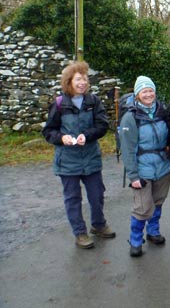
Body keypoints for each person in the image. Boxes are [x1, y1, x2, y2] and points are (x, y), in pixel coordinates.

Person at [42, 61, 115, 249]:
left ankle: (98, 225)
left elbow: (102, 125)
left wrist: (87, 135)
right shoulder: (59, 104)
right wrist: (62, 138)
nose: (83, 82)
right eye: (78, 79)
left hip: (90, 157)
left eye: (85, 79)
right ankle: (80, 233)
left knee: (97, 194)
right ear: (69, 81)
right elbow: (49, 131)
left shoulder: (93, 101)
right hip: (67, 161)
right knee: (73, 198)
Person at [119, 76, 170, 257]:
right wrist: (133, 176)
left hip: (163, 165)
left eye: (151, 90)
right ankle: (135, 240)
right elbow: (127, 149)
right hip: (142, 168)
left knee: (158, 201)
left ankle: (153, 231)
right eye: (144, 91)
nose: (148, 94)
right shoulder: (130, 117)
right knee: (142, 207)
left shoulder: (162, 111)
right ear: (137, 94)